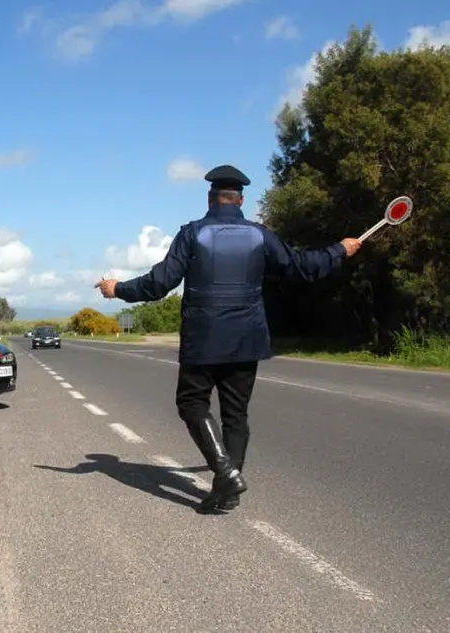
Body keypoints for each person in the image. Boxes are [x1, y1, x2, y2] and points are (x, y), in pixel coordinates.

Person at [96, 164, 361, 513]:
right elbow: (302, 268)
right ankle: (228, 490)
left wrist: (118, 289)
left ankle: (225, 473)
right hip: (246, 340)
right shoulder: (261, 235)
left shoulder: (193, 234)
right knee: (236, 416)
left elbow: (159, 283)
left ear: (211, 197)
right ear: (241, 199)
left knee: (192, 404)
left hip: (203, 340)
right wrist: (339, 250)